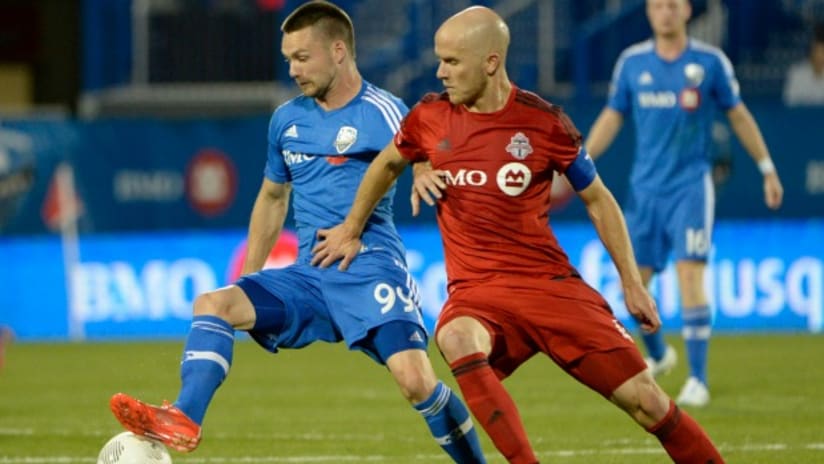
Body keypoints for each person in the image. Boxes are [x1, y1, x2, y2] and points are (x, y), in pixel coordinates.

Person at [312, 5, 725, 464]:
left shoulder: (544, 122)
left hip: (550, 289)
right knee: (454, 337)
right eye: (439, 59)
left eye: (451, 62)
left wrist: (630, 282)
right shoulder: (429, 117)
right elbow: (389, 161)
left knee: (648, 403)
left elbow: (598, 198)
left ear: (490, 62)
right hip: (479, 294)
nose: (439, 71)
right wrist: (353, 227)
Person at [108, 2, 486, 462]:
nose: (292, 70)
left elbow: (421, 147)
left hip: (368, 268)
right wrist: (247, 278)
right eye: (288, 58)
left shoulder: (383, 110)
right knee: (214, 303)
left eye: (303, 58)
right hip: (309, 276)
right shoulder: (287, 120)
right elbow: (271, 199)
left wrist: (425, 169)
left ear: (339, 51)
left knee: (416, 382)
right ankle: (184, 417)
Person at [582, 0, 784, 408]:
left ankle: (698, 379)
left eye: (673, 5)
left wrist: (767, 167)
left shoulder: (709, 62)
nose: (666, 12)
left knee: (691, 275)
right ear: (649, 12)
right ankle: (659, 355)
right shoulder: (632, 63)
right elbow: (611, 117)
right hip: (644, 191)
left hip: (691, 188)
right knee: (632, 284)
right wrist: (577, 162)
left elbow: (739, 115)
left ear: (688, 11)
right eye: (658, 5)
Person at [783, 21, 824, 106]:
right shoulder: (796, 72)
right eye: (817, 50)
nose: (820, 56)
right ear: (811, 50)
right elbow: (789, 100)